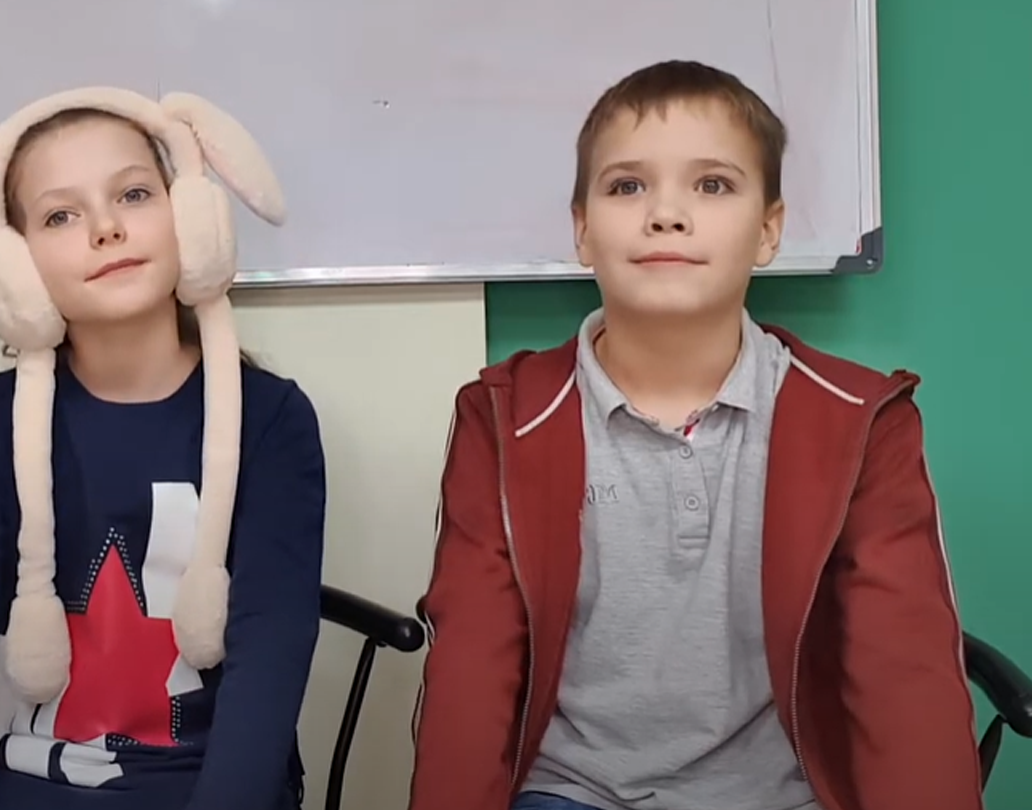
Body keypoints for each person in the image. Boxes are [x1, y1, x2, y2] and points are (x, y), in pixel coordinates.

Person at [407, 60, 985, 810]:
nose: (666, 214)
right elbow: (472, 666)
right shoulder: (504, 415)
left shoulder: (860, 417)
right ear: (582, 230)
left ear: (769, 230)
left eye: (712, 185)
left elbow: (903, 672)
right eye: (627, 186)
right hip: (572, 793)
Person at [0, 88, 327, 810]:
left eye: (134, 194)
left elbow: (269, 659)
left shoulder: (273, 421)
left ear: (191, 218)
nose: (106, 228)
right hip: (16, 781)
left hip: (197, 787)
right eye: (60, 215)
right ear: (16, 266)